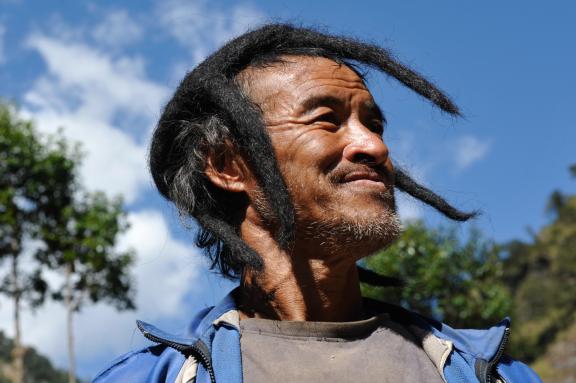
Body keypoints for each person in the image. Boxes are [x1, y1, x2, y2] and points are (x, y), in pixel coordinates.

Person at [94, 24, 541, 383]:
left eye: (375, 124)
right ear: (229, 165)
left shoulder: (488, 372)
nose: (375, 146)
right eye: (326, 119)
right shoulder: (156, 376)